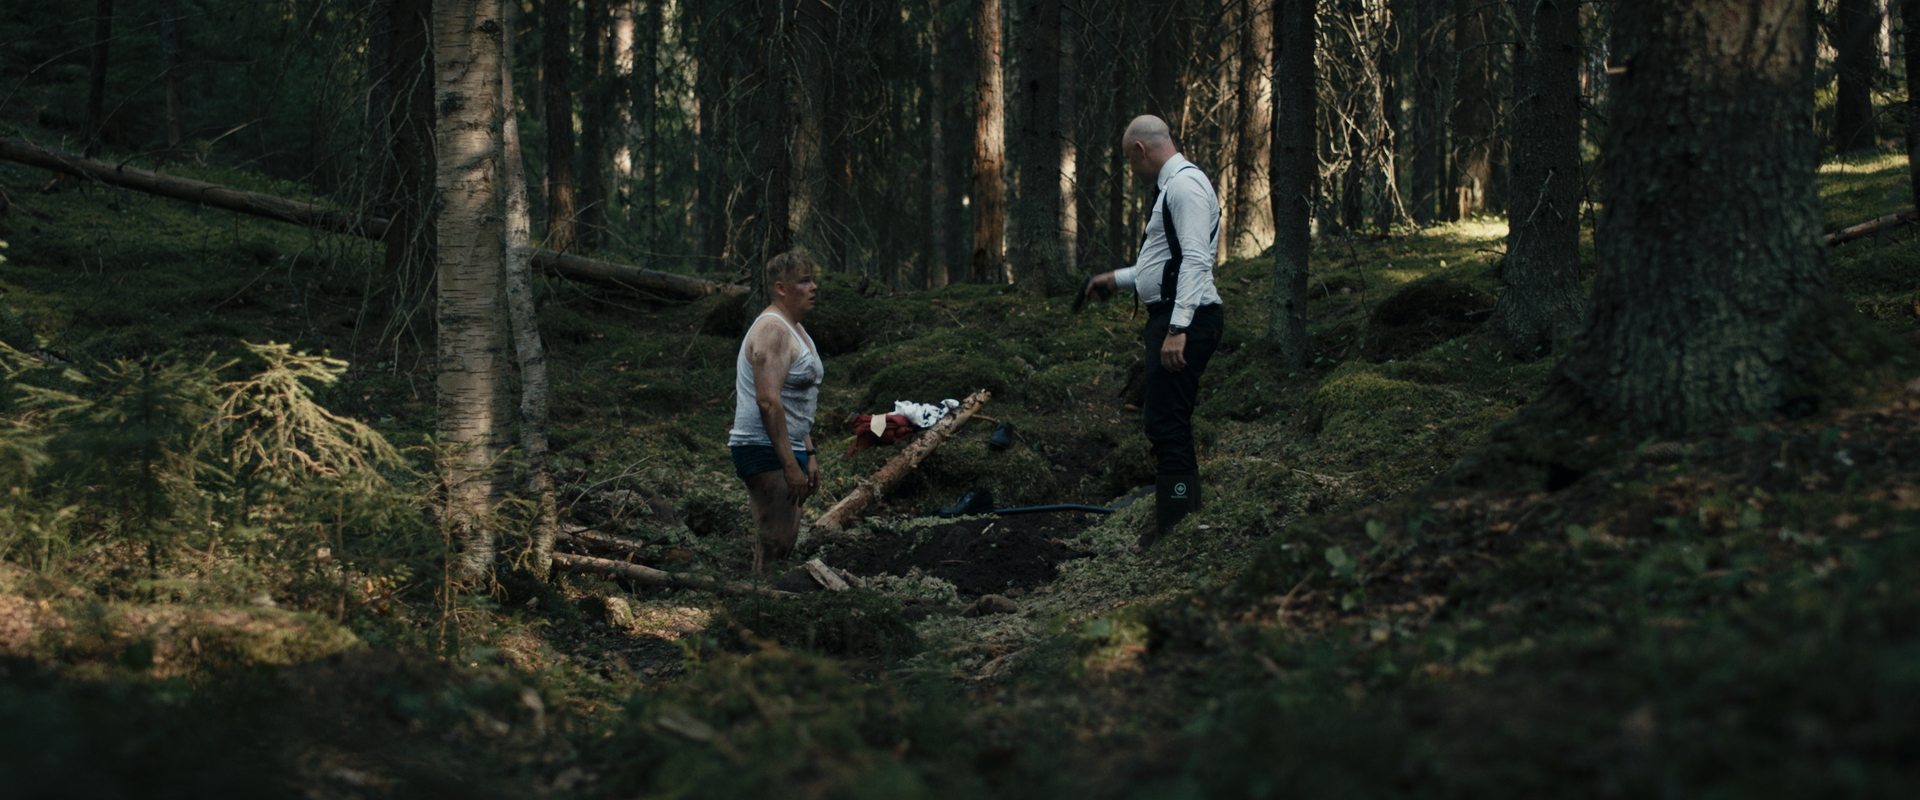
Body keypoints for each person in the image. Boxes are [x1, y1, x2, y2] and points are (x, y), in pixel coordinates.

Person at [1083, 115, 1225, 548]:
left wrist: (1178, 327)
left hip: (1184, 318)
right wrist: (1117, 279)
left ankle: (1176, 531)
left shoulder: (1184, 186)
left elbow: (1196, 260)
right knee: (1168, 420)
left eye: (1130, 161)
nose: (1133, 171)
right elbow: (1161, 262)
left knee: (1166, 423)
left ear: (1140, 150)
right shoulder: (1173, 188)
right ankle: (1183, 520)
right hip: (1175, 316)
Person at [727, 251, 824, 570]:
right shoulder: (773, 330)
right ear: (781, 288)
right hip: (764, 448)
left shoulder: (794, 328)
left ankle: (762, 596)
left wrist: (808, 452)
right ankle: (759, 599)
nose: (814, 287)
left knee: (782, 541)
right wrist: (790, 466)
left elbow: (794, 399)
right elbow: (768, 401)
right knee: (776, 543)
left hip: (788, 447)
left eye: (813, 280)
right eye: (805, 281)